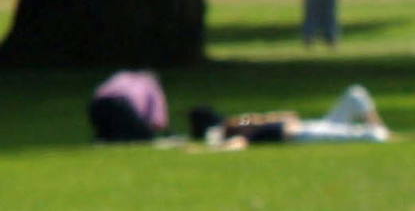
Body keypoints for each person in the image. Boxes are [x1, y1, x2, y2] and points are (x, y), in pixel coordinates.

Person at [206, 85, 389, 147]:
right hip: (306, 135)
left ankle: (382, 129)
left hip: (314, 125)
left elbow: (292, 115)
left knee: (355, 93)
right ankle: (384, 135)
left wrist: (264, 118)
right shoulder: (248, 135)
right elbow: (237, 143)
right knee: (369, 136)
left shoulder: (257, 124)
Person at [88, 70, 168, 142]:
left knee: (108, 135)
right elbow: (158, 120)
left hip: (96, 104)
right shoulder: (151, 83)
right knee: (143, 137)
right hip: (121, 104)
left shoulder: (122, 75)